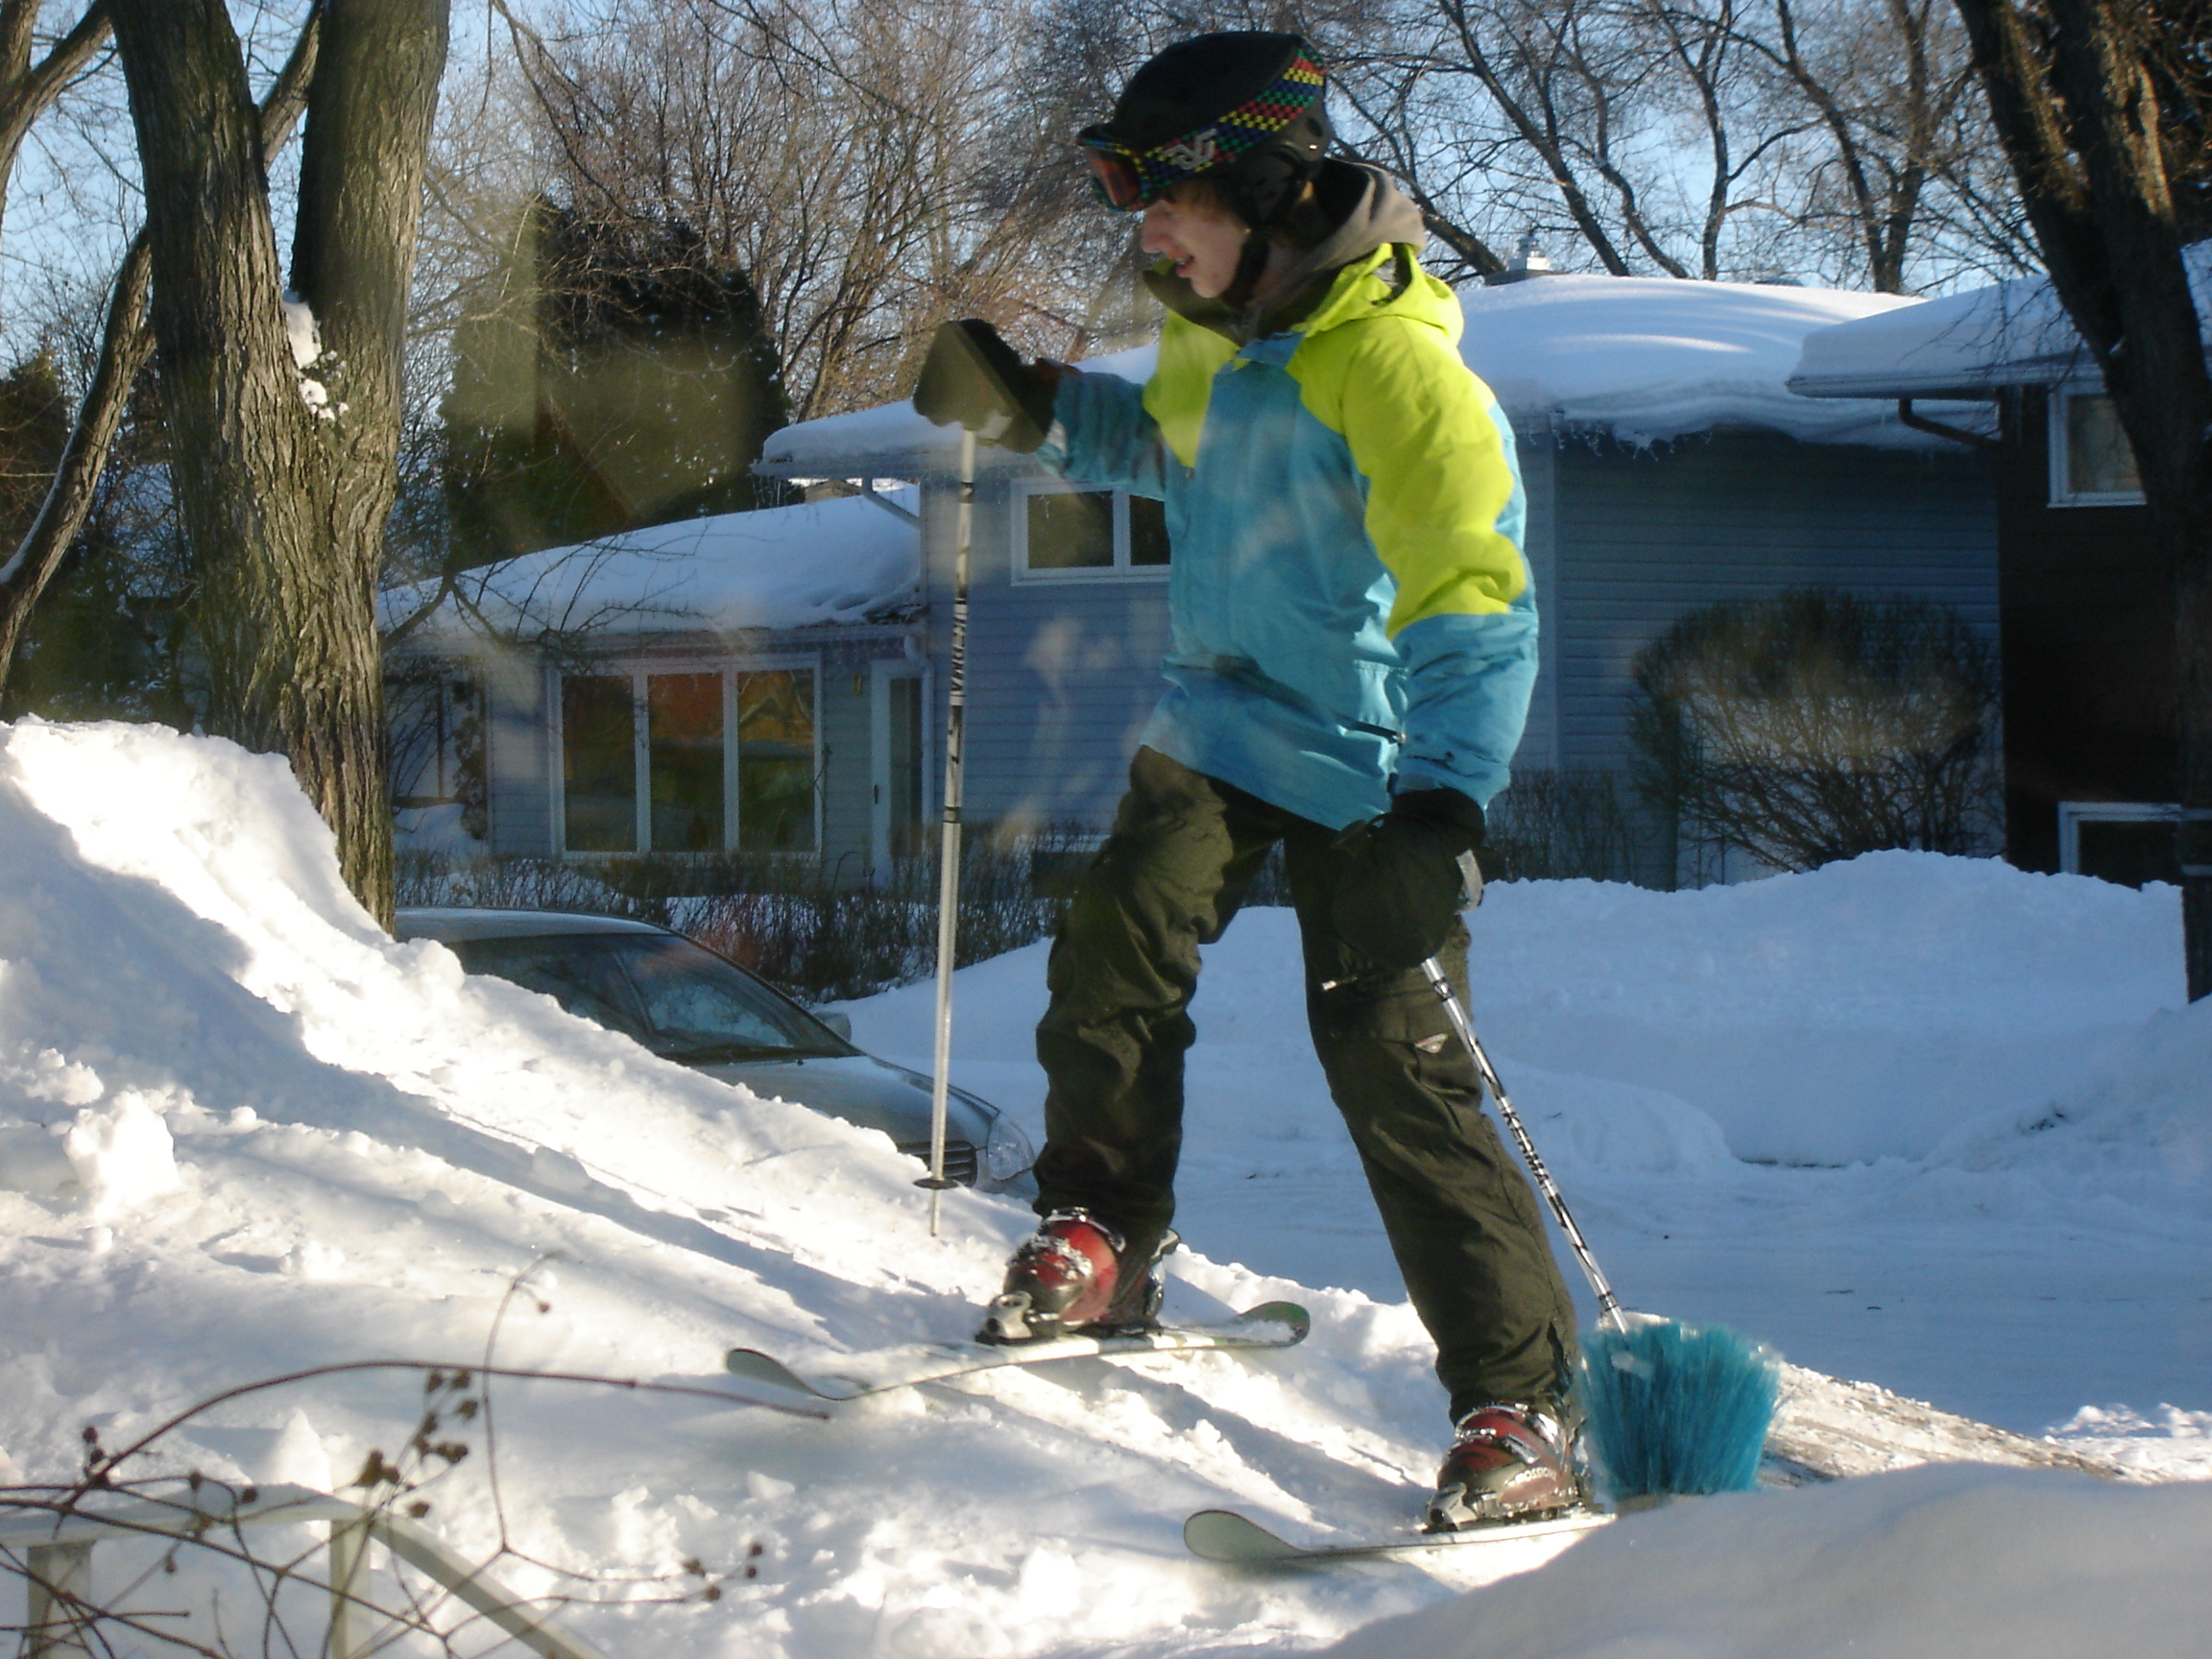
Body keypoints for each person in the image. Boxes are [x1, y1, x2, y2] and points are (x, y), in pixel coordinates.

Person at [912, 31, 1582, 1532]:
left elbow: (1475, 594)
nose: (1148, 237)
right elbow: (1170, 456)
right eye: (1140, 207)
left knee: (1395, 1067)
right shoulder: (1215, 329)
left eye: (1171, 206)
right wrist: (1031, 401)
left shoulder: (1401, 370)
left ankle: (1518, 1401)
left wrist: (1447, 805)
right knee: (1110, 959)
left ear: (1270, 197)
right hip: (1219, 724)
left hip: (1375, 759)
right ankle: (1101, 1242)